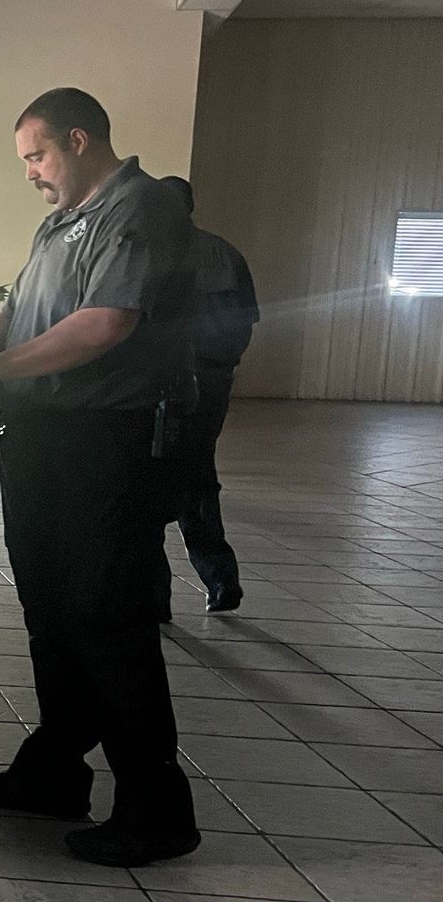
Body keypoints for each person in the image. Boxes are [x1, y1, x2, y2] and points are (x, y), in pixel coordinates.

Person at [0, 88, 199, 867]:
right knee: (49, 606)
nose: (30, 174)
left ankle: (156, 807)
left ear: (79, 140)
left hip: (108, 442)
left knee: (106, 614)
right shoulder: (61, 222)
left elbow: (104, 323)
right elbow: (19, 309)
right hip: (47, 437)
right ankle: (54, 772)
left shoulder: (140, 210)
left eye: (36, 156)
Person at [165, 176, 258, 615]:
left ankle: (151, 597)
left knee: (148, 481)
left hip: (164, 383)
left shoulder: (152, 253)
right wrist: (222, 363)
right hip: (214, 379)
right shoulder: (227, 252)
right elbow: (248, 320)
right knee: (198, 474)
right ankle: (221, 580)